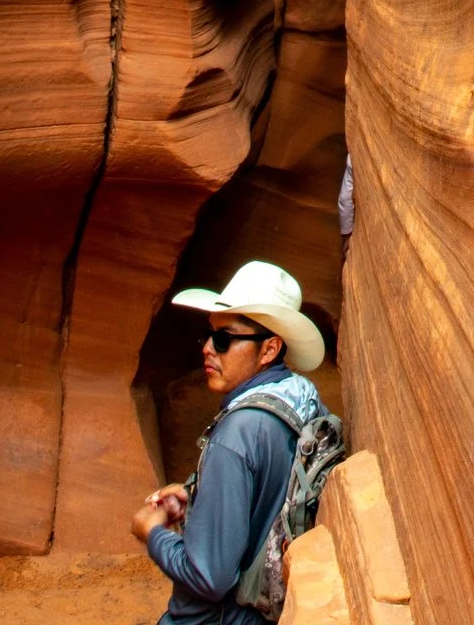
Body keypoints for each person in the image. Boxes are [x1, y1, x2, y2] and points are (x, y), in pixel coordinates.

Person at [132, 261, 330, 625]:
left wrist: (153, 533)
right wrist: (200, 493)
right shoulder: (301, 400)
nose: (208, 348)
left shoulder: (237, 434)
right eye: (208, 336)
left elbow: (208, 578)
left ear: (269, 349)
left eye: (224, 339)